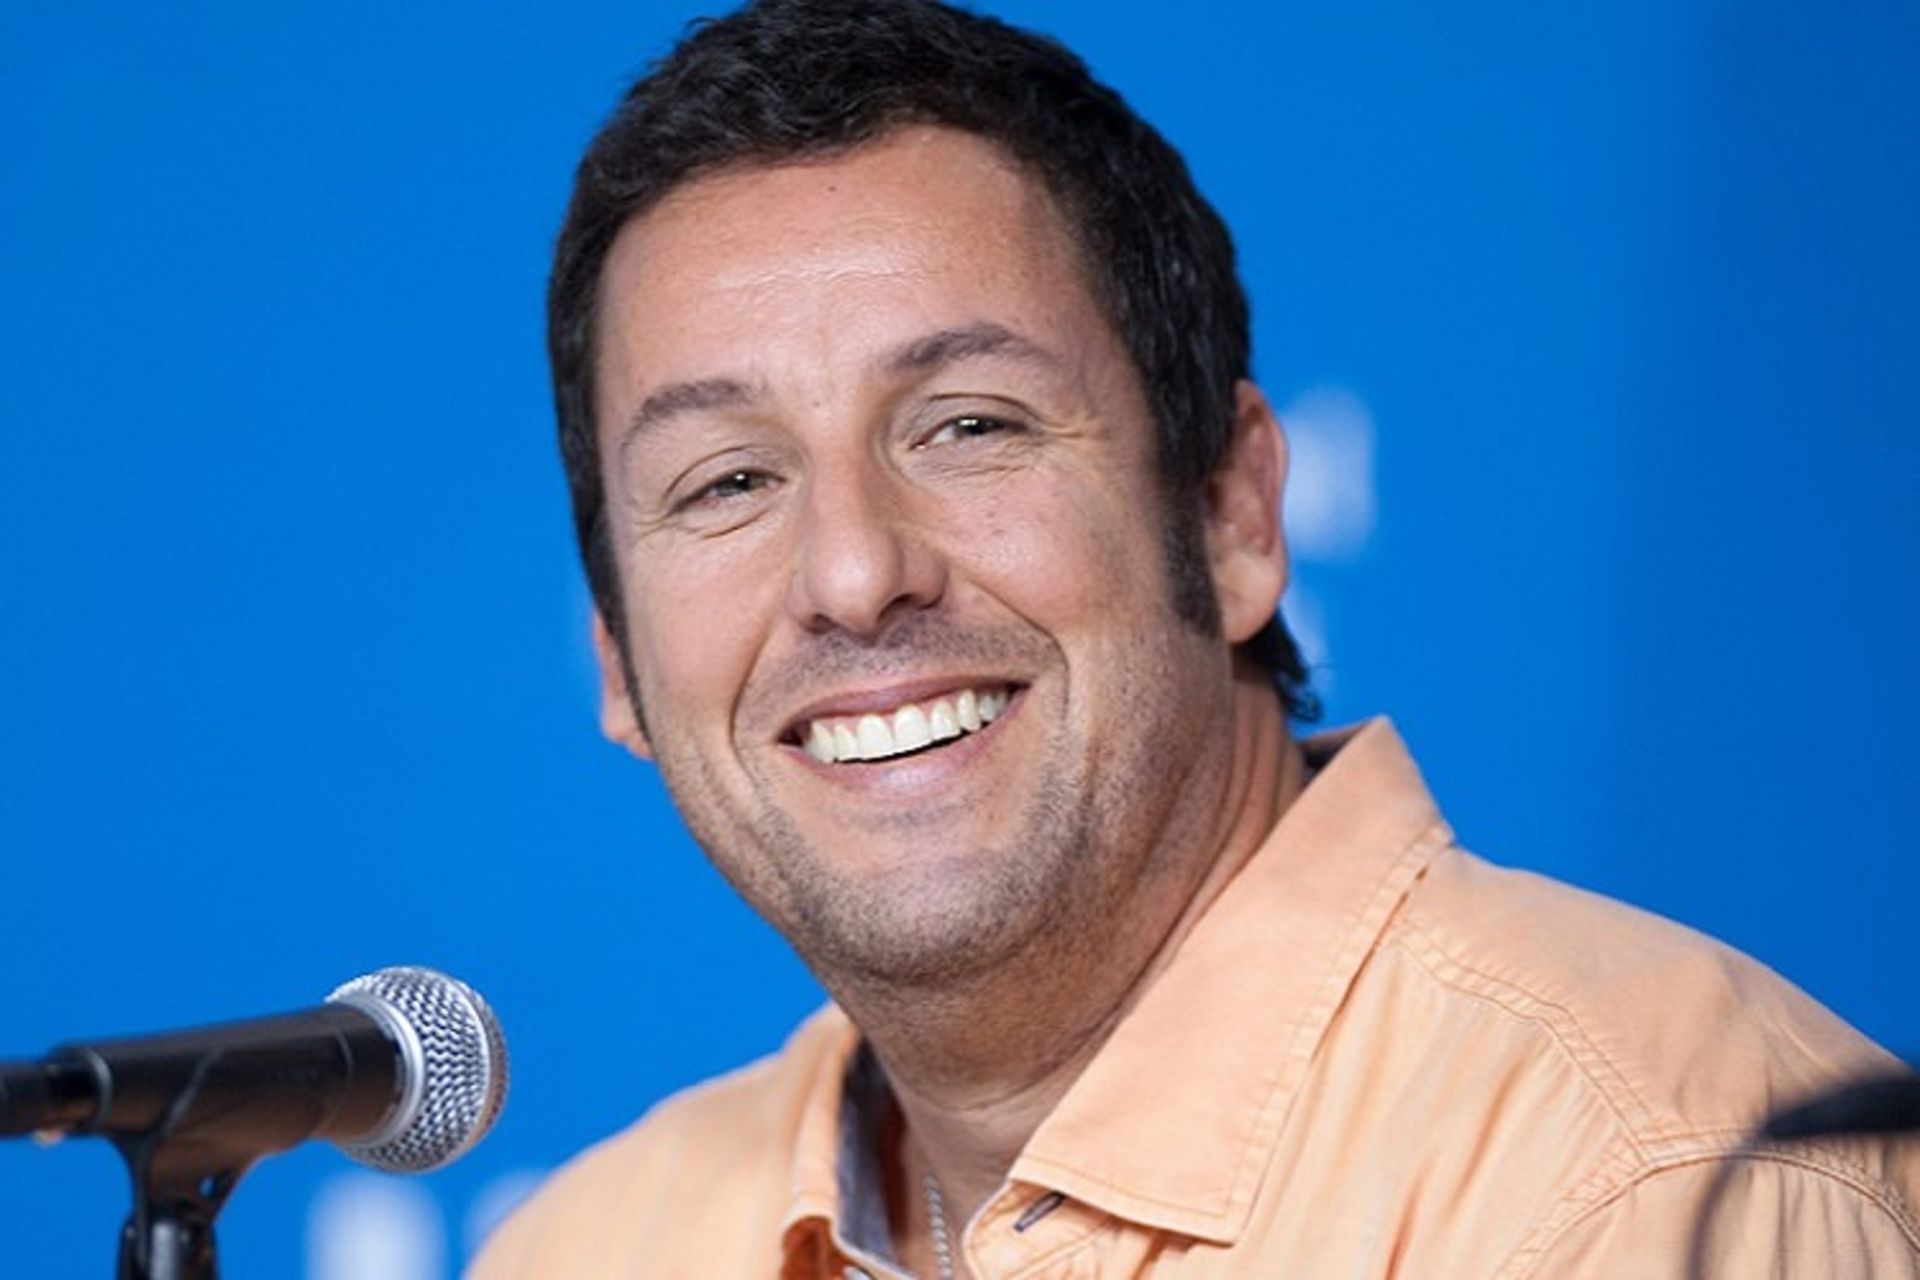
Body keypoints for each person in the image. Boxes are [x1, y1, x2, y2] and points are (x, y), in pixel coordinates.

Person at [471, 1, 1920, 1275]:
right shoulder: (586, 1250)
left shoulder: (1654, 1193)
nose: (853, 575)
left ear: (1232, 514)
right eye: (727, 482)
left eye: (969, 426)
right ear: (617, 658)